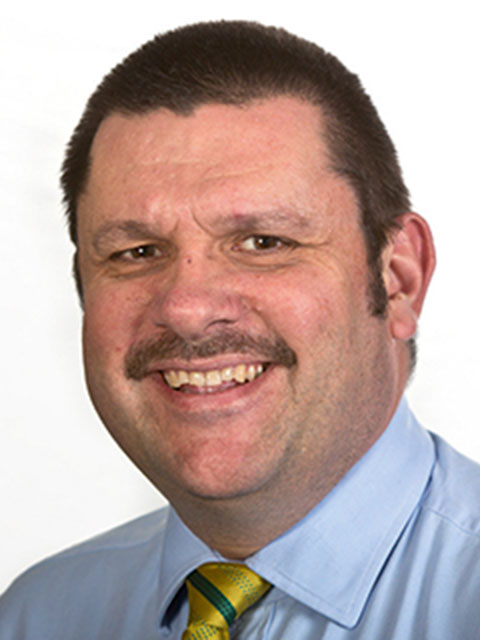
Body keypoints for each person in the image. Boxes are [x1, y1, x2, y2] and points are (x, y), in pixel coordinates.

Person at [1, 20, 479, 639]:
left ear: (398, 279)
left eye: (263, 242)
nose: (187, 308)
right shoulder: (38, 617)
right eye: (137, 253)